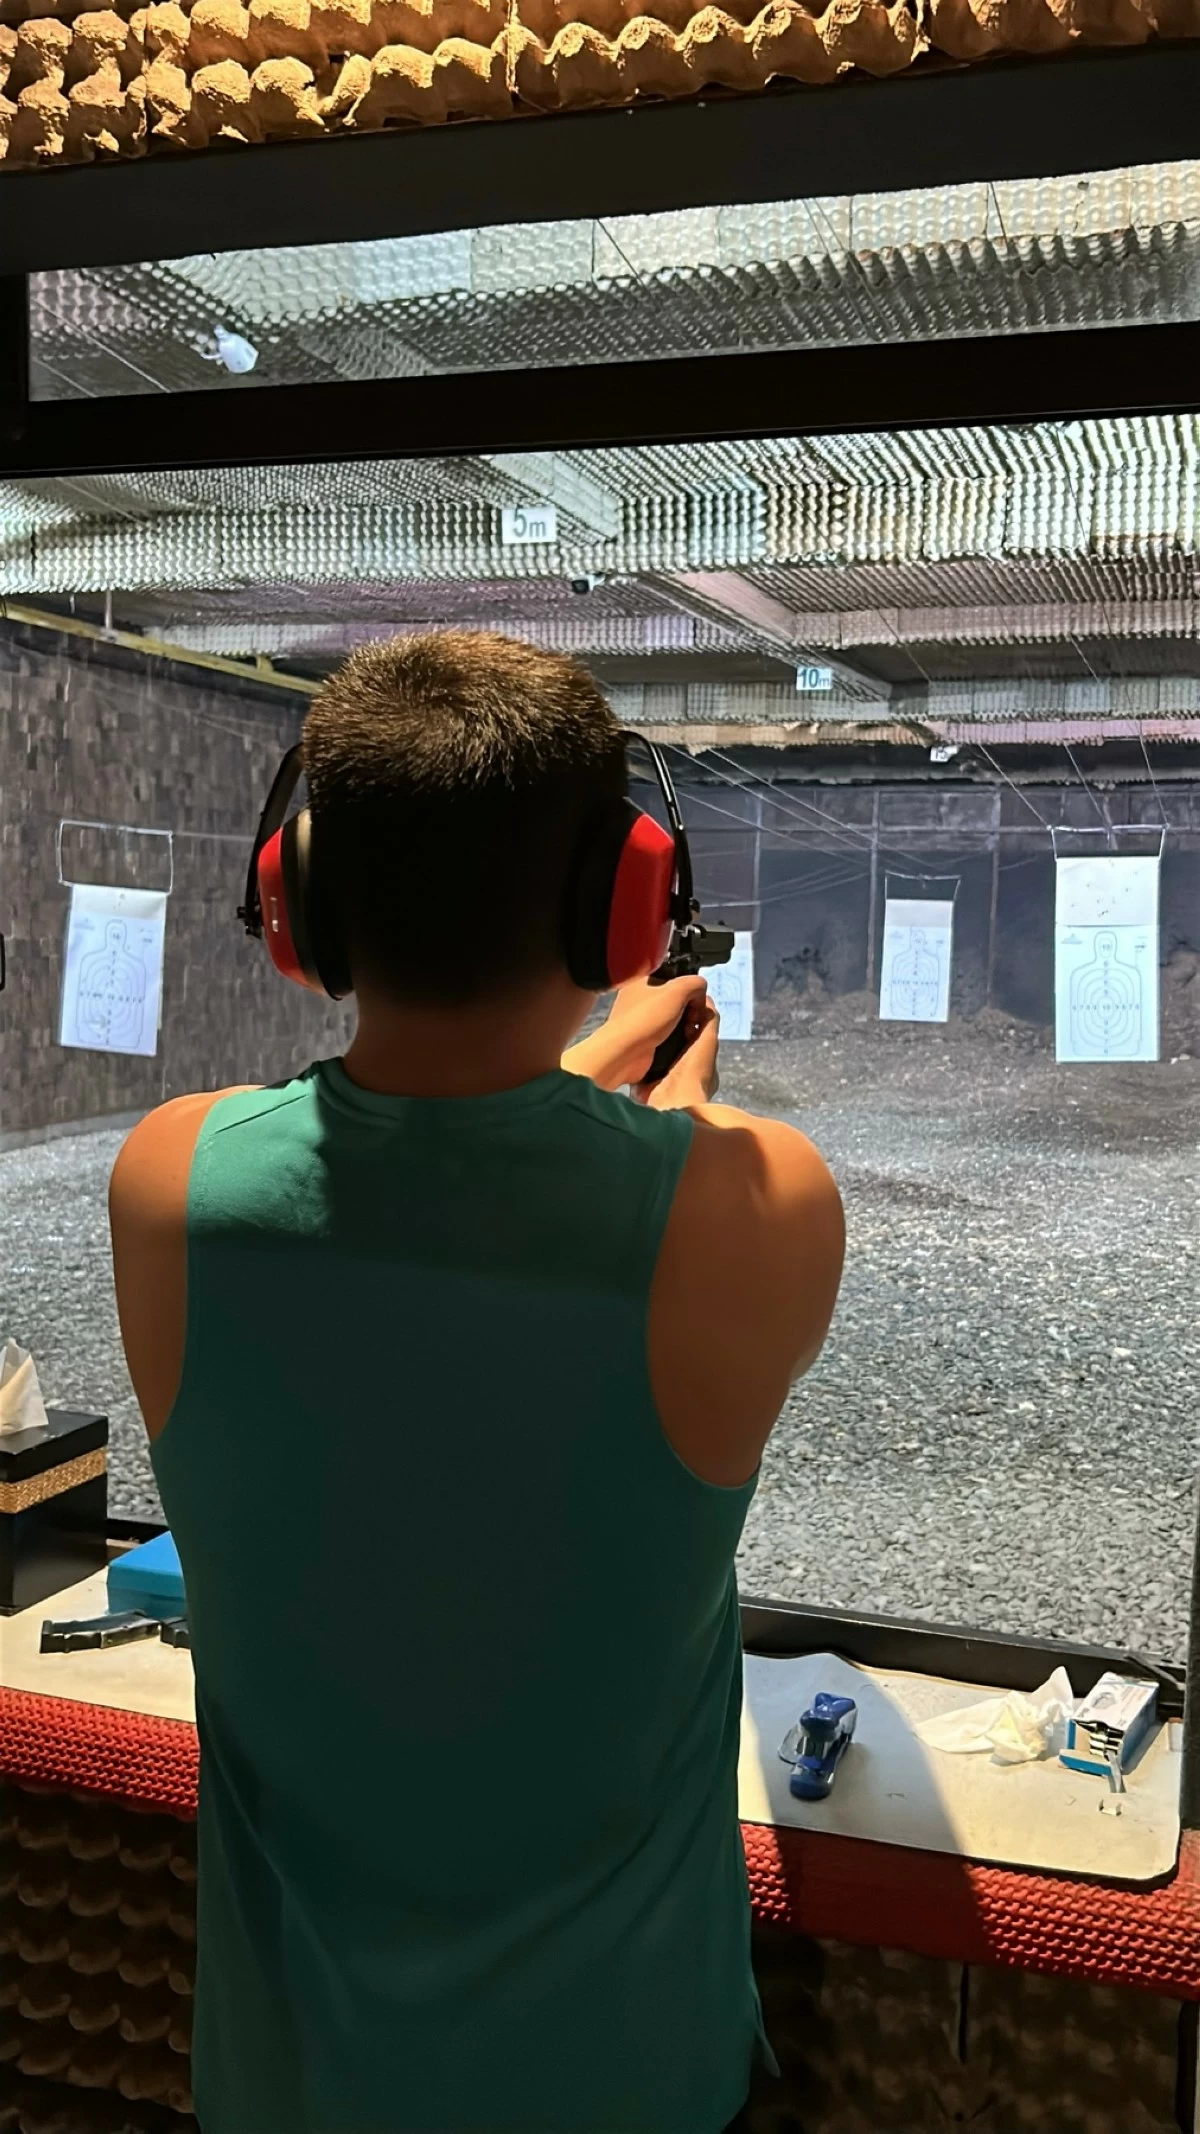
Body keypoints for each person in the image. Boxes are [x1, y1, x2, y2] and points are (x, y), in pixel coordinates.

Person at [108, 632, 845, 2134]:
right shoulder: (760, 1198)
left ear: (298, 904)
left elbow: (408, 1179)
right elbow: (533, 1185)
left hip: (291, 2084)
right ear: (624, 901)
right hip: (624, 2078)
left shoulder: (168, 1177)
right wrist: (629, 1091)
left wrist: (580, 1074)